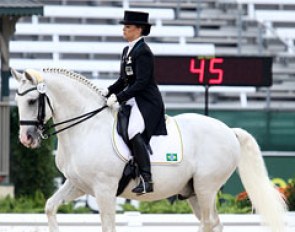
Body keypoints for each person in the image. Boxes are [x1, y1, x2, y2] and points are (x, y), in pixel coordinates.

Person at [99, 10, 167, 194]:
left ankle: (146, 179)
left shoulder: (143, 51)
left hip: (147, 102)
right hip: (133, 100)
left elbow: (141, 83)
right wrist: (108, 91)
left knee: (133, 130)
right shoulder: (127, 49)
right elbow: (123, 80)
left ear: (139, 30)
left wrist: (119, 97)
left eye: (127, 27)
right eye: (124, 26)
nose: (124, 29)